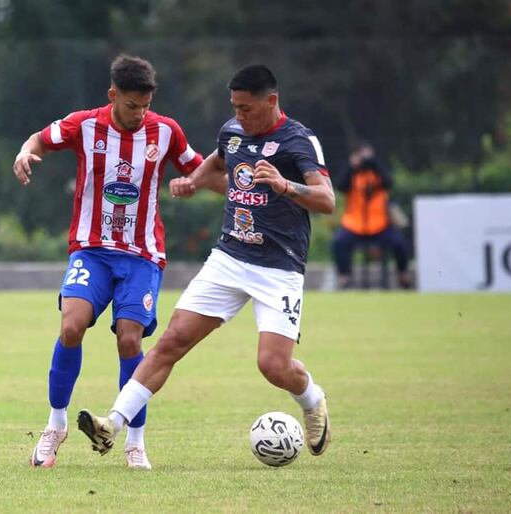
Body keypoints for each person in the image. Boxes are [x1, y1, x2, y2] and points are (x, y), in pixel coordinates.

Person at [76, 64, 334, 462]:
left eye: (246, 108)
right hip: (229, 258)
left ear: (271, 101)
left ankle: (313, 399)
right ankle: (112, 422)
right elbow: (216, 165)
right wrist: (192, 181)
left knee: (272, 365)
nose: (239, 115)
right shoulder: (232, 132)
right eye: (234, 107)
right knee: (170, 343)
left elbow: (326, 199)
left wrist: (285, 185)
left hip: (278, 267)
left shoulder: (297, 140)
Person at [12, 55, 209, 470]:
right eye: (131, 105)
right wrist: (25, 154)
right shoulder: (85, 125)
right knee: (71, 326)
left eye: (145, 105)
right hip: (91, 249)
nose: (139, 114)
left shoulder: (166, 131)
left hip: (141, 255)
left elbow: (203, 169)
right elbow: (39, 139)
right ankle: (56, 424)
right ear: (113, 95)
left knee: (130, 340)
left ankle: (134, 442)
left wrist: (211, 185)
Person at [331, 142, 411, 289]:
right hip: (354, 225)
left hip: (379, 225)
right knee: (338, 242)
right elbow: (341, 186)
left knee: (400, 244)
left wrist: (375, 163)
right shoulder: (353, 173)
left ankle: (403, 274)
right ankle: (344, 276)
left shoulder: (379, 173)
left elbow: (389, 183)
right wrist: (351, 165)